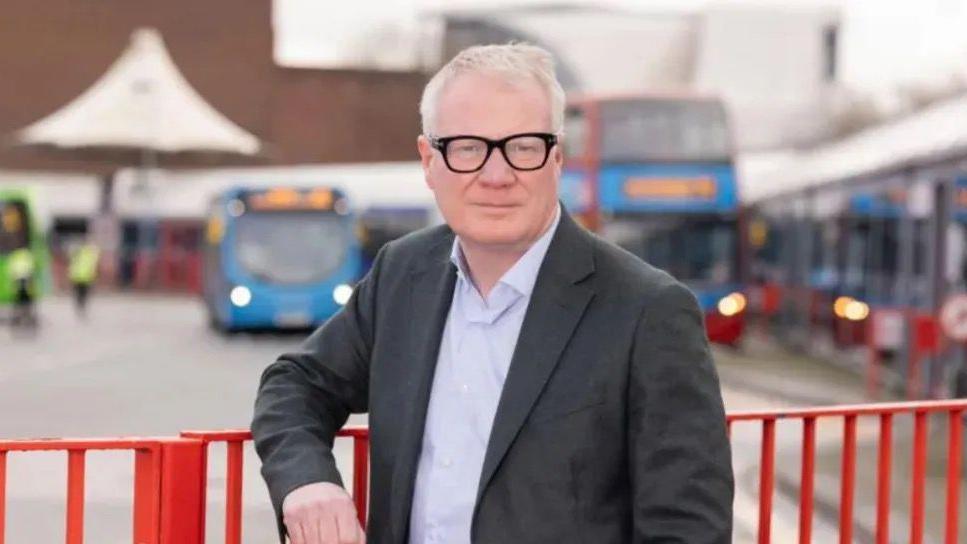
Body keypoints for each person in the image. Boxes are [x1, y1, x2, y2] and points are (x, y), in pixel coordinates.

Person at [252, 43, 733, 544]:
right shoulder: (402, 274)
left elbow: (687, 530)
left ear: (557, 158)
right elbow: (294, 384)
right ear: (428, 160)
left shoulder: (648, 311)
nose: (496, 175)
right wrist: (307, 483)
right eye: (467, 147)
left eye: (523, 147)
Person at [68, 240, 99, 318]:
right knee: (81, 294)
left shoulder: (82, 253)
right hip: (80, 277)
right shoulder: (84, 254)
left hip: (82, 277)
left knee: (82, 294)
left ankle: (81, 308)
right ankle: (81, 308)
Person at [8, 246, 36, 328]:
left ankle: (18, 317)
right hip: (26, 278)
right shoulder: (27, 255)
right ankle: (26, 315)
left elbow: (11, 270)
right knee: (27, 298)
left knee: (18, 298)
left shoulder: (14, 255)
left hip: (17, 278)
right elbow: (32, 268)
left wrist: (12, 283)